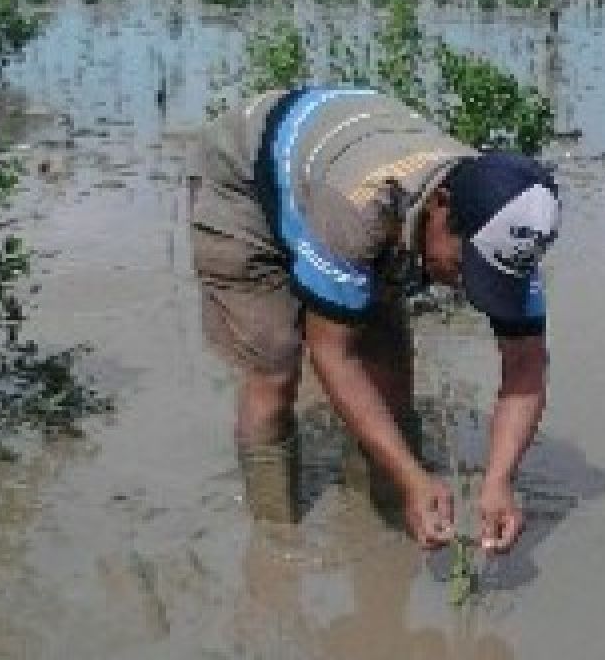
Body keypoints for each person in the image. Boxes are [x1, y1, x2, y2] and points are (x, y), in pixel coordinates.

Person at [187, 86, 560, 553]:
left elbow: (526, 365)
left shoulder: (507, 230)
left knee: (388, 368)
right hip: (245, 176)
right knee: (276, 366)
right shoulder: (358, 210)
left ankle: (382, 517)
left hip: (354, 174)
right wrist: (412, 477)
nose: (465, 287)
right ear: (441, 207)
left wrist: (500, 481)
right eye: (464, 268)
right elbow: (331, 352)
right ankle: (274, 539)